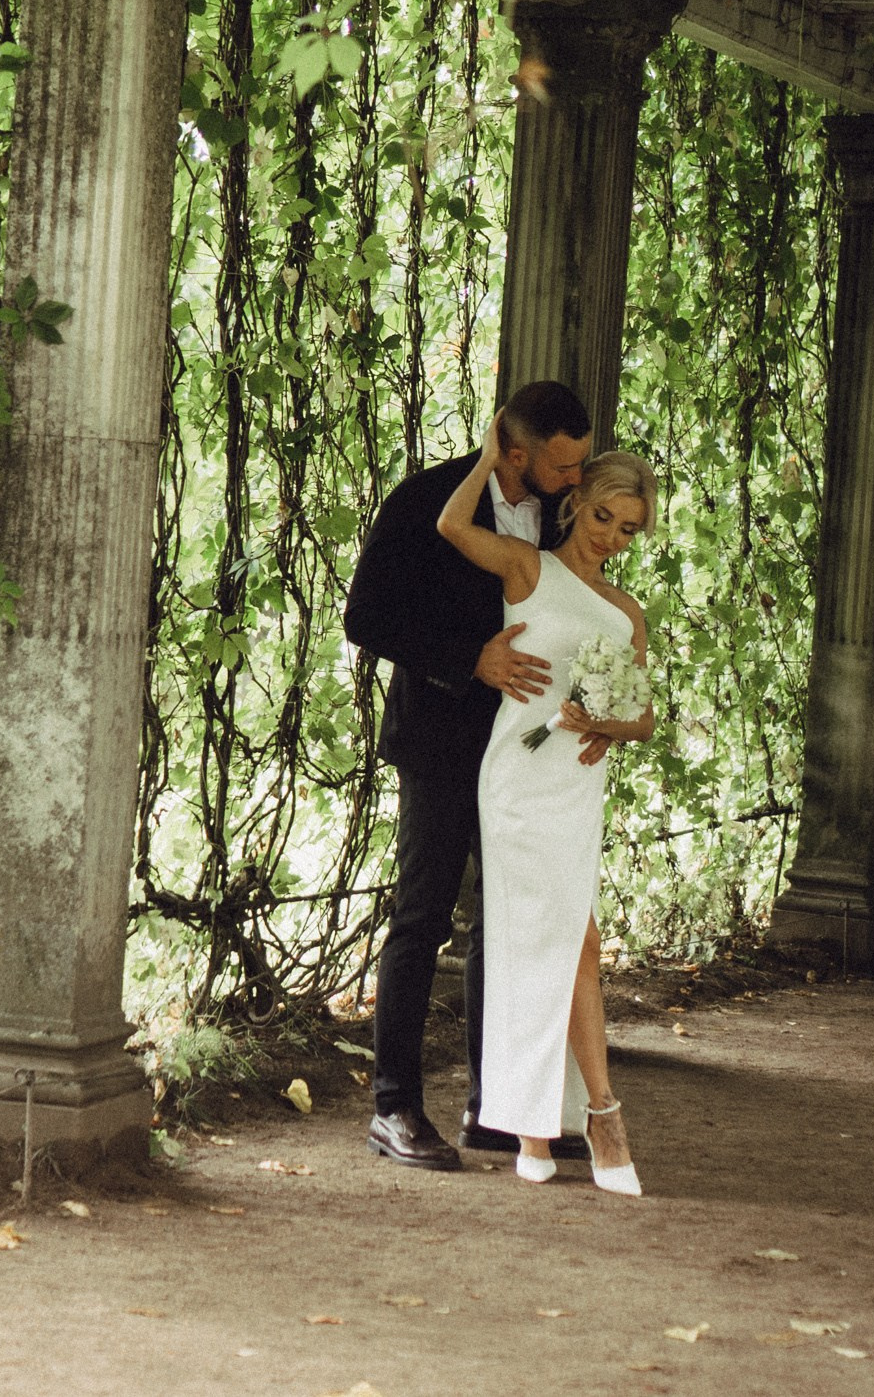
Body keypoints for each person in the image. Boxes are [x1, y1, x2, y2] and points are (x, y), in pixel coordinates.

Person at [344, 381, 595, 1170]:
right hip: (442, 740)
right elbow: (366, 615)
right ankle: (394, 1105)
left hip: (528, 749)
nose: (575, 481)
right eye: (562, 466)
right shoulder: (426, 498)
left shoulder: (563, 514)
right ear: (514, 452)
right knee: (422, 918)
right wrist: (468, 659)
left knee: (511, 925)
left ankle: (498, 1107)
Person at [435, 430, 659, 1195]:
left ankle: (536, 1128)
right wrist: (490, 453)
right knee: (570, 943)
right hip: (519, 780)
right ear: (576, 502)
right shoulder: (529, 565)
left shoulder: (625, 611)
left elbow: (644, 720)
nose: (611, 537)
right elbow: (452, 528)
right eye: (603, 517)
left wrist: (601, 721)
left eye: (627, 528)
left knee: (566, 945)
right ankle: (601, 1117)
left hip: (575, 783)